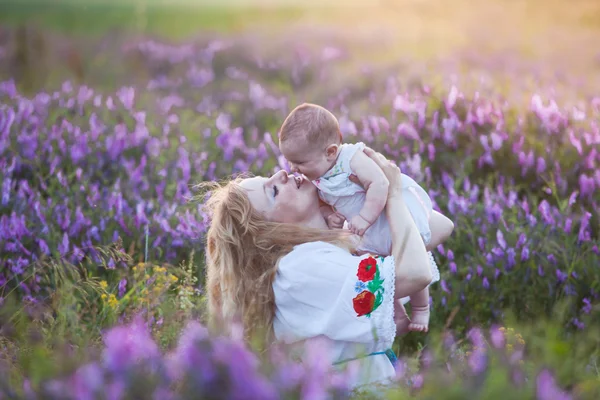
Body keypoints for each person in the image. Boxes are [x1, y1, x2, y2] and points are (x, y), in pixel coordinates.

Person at [201, 146, 453, 388]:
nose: (281, 174)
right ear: (269, 233)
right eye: (273, 191)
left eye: (270, 177)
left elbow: (440, 227)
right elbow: (415, 273)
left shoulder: (327, 246)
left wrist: (364, 194)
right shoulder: (300, 267)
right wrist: (393, 194)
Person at [277, 103, 454, 333]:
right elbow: (324, 202)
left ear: (330, 151)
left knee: (413, 250)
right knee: (384, 269)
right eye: (291, 162)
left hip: (383, 217)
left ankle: (422, 308)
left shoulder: (351, 158)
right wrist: (330, 216)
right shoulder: (318, 173)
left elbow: (380, 183)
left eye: (299, 163)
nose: (293, 168)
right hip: (366, 231)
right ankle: (397, 315)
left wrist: (365, 217)